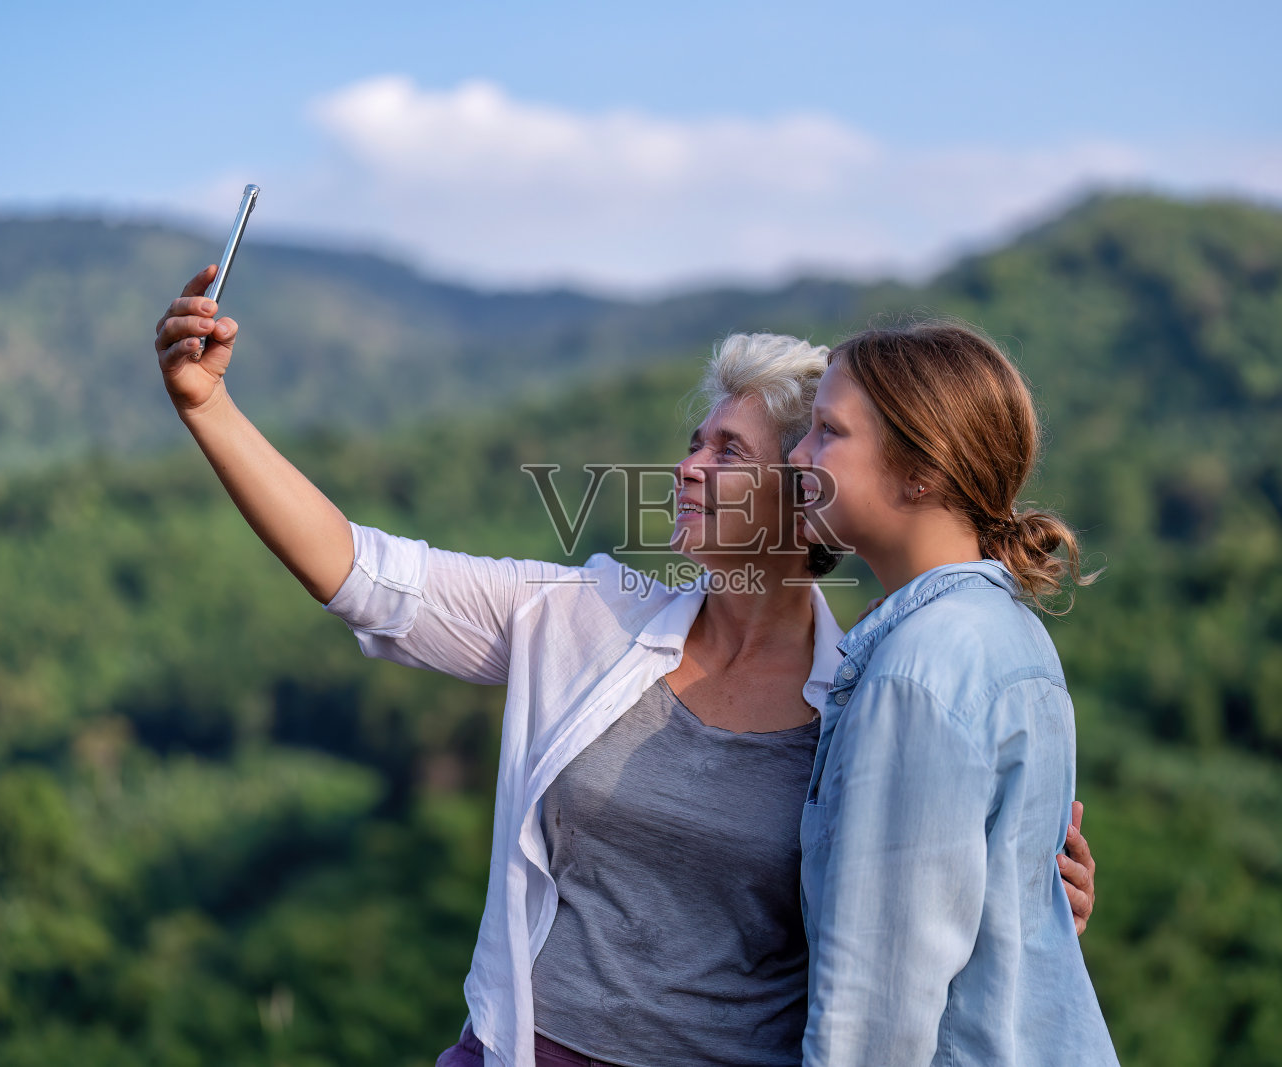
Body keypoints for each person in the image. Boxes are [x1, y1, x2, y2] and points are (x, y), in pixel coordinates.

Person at [153, 269, 1099, 1067]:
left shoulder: (866, 696)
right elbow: (366, 574)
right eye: (694, 443)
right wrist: (209, 408)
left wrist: (1024, 898)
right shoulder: (587, 619)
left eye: (730, 451)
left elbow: (899, 931)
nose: (687, 468)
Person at [787, 321, 1119, 1065]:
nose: (798, 455)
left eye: (828, 431)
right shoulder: (1009, 629)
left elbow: (876, 1012)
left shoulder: (916, 671)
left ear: (921, 472)